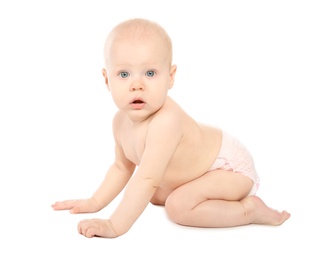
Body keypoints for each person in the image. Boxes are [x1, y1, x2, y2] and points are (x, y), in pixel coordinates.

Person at [51, 18, 290, 238]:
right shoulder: (119, 122)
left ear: (171, 77)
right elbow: (121, 167)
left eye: (150, 73)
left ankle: (249, 211)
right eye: (124, 74)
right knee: (154, 196)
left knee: (178, 206)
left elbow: (146, 178)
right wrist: (94, 202)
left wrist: (114, 225)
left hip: (229, 169)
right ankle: (197, 194)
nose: (137, 85)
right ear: (106, 80)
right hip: (198, 169)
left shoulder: (166, 121)